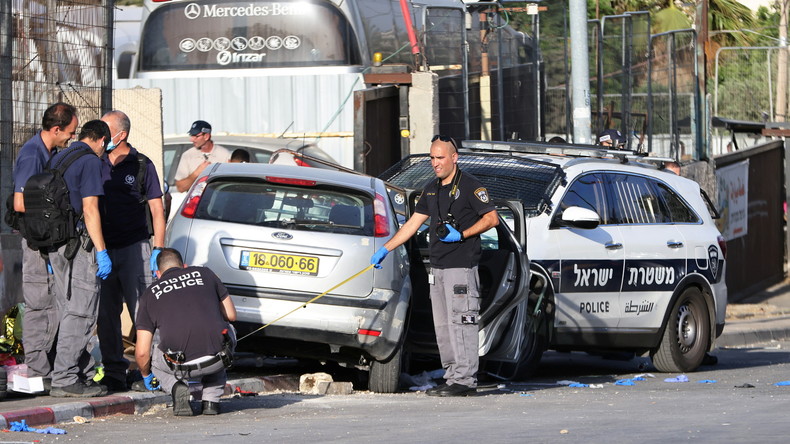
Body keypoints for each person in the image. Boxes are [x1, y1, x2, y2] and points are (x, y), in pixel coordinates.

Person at [370, 135, 498, 397]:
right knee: (443, 326)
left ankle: (465, 379)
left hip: (461, 267)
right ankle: (452, 378)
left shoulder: (472, 187)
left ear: (454, 157)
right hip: (437, 268)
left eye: (440, 158)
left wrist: (461, 235)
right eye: (432, 157)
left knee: (462, 323)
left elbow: (492, 218)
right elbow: (412, 225)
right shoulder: (431, 189)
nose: (435, 163)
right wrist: (386, 248)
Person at [41, 119, 113, 397]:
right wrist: (102, 251)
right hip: (79, 247)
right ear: (103, 141)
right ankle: (65, 378)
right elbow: (90, 209)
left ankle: (79, 373)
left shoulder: (60, 157)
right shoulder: (91, 162)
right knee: (81, 311)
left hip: (55, 246)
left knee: (68, 308)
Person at [12, 102, 80, 392]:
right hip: (35, 241)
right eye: (70, 133)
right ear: (56, 129)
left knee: (56, 302)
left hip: (48, 240)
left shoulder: (51, 152)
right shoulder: (32, 155)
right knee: (40, 303)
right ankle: (38, 371)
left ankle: (49, 365)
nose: (72, 138)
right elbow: (20, 202)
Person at [97, 110, 166, 392]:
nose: (101, 134)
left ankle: (156, 369)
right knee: (105, 314)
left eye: (105, 129)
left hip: (134, 249)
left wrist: (158, 249)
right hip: (102, 250)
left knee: (145, 314)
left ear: (120, 134)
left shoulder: (142, 164)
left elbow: (157, 211)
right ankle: (114, 370)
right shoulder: (95, 161)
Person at [135, 248, 237, 416]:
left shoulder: (149, 294)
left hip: (179, 364)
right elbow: (231, 315)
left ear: (158, 274)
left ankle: (176, 387)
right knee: (226, 333)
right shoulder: (205, 273)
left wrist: (146, 375)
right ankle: (211, 401)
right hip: (218, 358)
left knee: (153, 359)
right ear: (184, 266)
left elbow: (141, 353)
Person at [173, 120, 230, 192]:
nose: (191, 139)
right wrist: (196, 173)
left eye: (196, 136)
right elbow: (180, 188)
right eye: (191, 136)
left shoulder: (224, 155)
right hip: (196, 202)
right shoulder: (188, 155)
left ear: (206, 136)